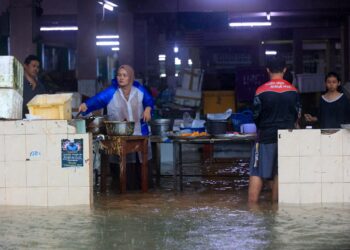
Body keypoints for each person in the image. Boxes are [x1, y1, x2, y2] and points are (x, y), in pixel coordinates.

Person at [78, 65, 154, 190]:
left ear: (130, 77)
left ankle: (143, 193)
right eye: (119, 75)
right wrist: (86, 105)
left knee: (143, 165)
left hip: (140, 132)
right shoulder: (111, 92)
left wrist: (148, 108)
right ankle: (125, 193)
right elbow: (98, 99)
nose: (121, 78)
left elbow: (149, 100)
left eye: (125, 75)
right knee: (123, 168)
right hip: (119, 134)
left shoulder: (139, 90)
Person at [248, 56, 301, 203]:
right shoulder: (293, 91)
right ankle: (274, 209)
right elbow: (297, 115)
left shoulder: (261, 91)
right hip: (287, 136)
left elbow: (256, 115)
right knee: (280, 172)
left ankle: (252, 208)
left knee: (257, 170)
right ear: (284, 70)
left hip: (266, 135)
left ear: (267, 70)